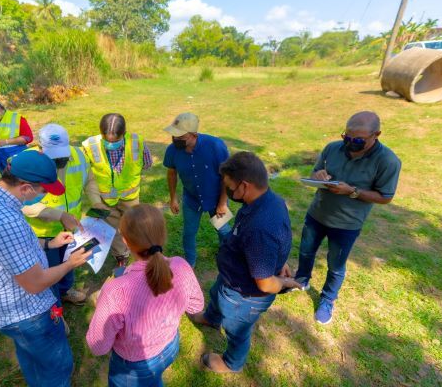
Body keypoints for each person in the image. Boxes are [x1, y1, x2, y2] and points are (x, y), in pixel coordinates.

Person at [0, 149, 93, 387]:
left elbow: (6, 250)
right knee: (56, 367)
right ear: (25, 188)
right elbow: (36, 283)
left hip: (1, 309)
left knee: (31, 356)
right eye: (43, 191)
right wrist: (70, 263)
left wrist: (50, 243)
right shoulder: (7, 222)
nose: (43, 197)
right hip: (28, 315)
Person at [188, 151, 300, 373]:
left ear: (245, 186)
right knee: (216, 295)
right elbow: (283, 236)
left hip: (244, 296)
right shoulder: (271, 200)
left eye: (229, 185)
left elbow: (266, 284)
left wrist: (284, 281)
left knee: (236, 329)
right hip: (231, 279)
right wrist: (280, 261)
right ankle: (212, 318)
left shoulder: (260, 228)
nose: (227, 191)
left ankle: (232, 362)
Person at [292, 111, 401, 325]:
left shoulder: (388, 161)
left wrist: (352, 191)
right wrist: (318, 176)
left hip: (347, 224)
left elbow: (385, 197)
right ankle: (302, 279)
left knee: (336, 264)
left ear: (376, 135)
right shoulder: (332, 148)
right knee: (305, 250)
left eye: (357, 140)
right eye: (347, 137)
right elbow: (315, 172)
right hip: (317, 213)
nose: (350, 143)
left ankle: (327, 299)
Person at [86, 204, 204, 387]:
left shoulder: (115, 291)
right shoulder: (181, 265)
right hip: (170, 347)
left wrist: (102, 304)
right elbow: (196, 306)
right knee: (154, 380)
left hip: (133, 366)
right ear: (163, 235)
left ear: (125, 241)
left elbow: (98, 346)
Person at [22, 123, 92, 305]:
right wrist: (59, 215)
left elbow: (89, 178)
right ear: (40, 147)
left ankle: (65, 290)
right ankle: (54, 306)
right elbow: (22, 205)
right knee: (49, 271)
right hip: (43, 234)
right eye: (54, 157)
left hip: (70, 229)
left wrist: (98, 201)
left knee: (69, 261)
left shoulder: (79, 155)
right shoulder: (26, 163)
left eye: (63, 156)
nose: (60, 161)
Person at [82, 113, 153, 267]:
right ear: (101, 133)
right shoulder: (90, 146)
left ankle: (137, 250)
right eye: (107, 140)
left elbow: (147, 163)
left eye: (115, 141)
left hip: (130, 197)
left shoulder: (137, 143)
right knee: (110, 227)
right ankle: (122, 256)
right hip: (104, 199)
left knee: (133, 225)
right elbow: (86, 172)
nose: (110, 144)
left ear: (124, 133)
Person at [163, 112, 231, 267]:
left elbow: (226, 177)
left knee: (224, 231)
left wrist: (222, 203)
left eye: (180, 137)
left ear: (193, 135)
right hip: (191, 199)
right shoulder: (172, 150)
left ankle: (227, 254)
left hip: (215, 198)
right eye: (174, 135)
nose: (175, 139)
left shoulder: (215, 146)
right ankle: (190, 263)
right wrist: (173, 197)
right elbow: (172, 173)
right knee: (189, 233)